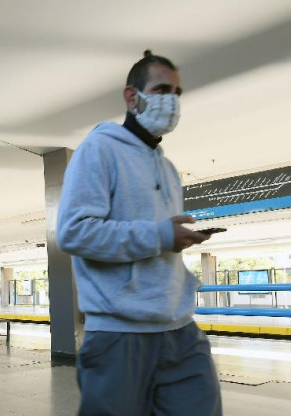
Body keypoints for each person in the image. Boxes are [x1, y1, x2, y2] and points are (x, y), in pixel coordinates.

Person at [56, 50, 222, 416]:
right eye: (162, 89)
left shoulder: (168, 168)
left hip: (180, 330)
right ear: (132, 97)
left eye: (177, 93)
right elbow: (74, 233)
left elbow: (156, 237)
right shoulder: (99, 150)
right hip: (120, 333)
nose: (172, 101)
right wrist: (161, 236)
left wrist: (175, 241)